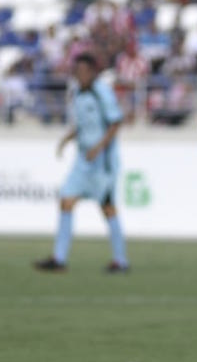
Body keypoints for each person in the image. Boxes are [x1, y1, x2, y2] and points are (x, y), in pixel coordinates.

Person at [34, 53, 129, 273]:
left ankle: (121, 260)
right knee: (66, 201)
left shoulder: (101, 92)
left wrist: (98, 147)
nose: (80, 76)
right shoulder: (76, 92)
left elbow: (115, 123)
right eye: (77, 72)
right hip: (82, 160)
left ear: (93, 72)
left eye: (84, 71)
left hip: (102, 162)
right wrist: (67, 139)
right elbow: (83, 125)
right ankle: (59, 259)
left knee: (108, 209)